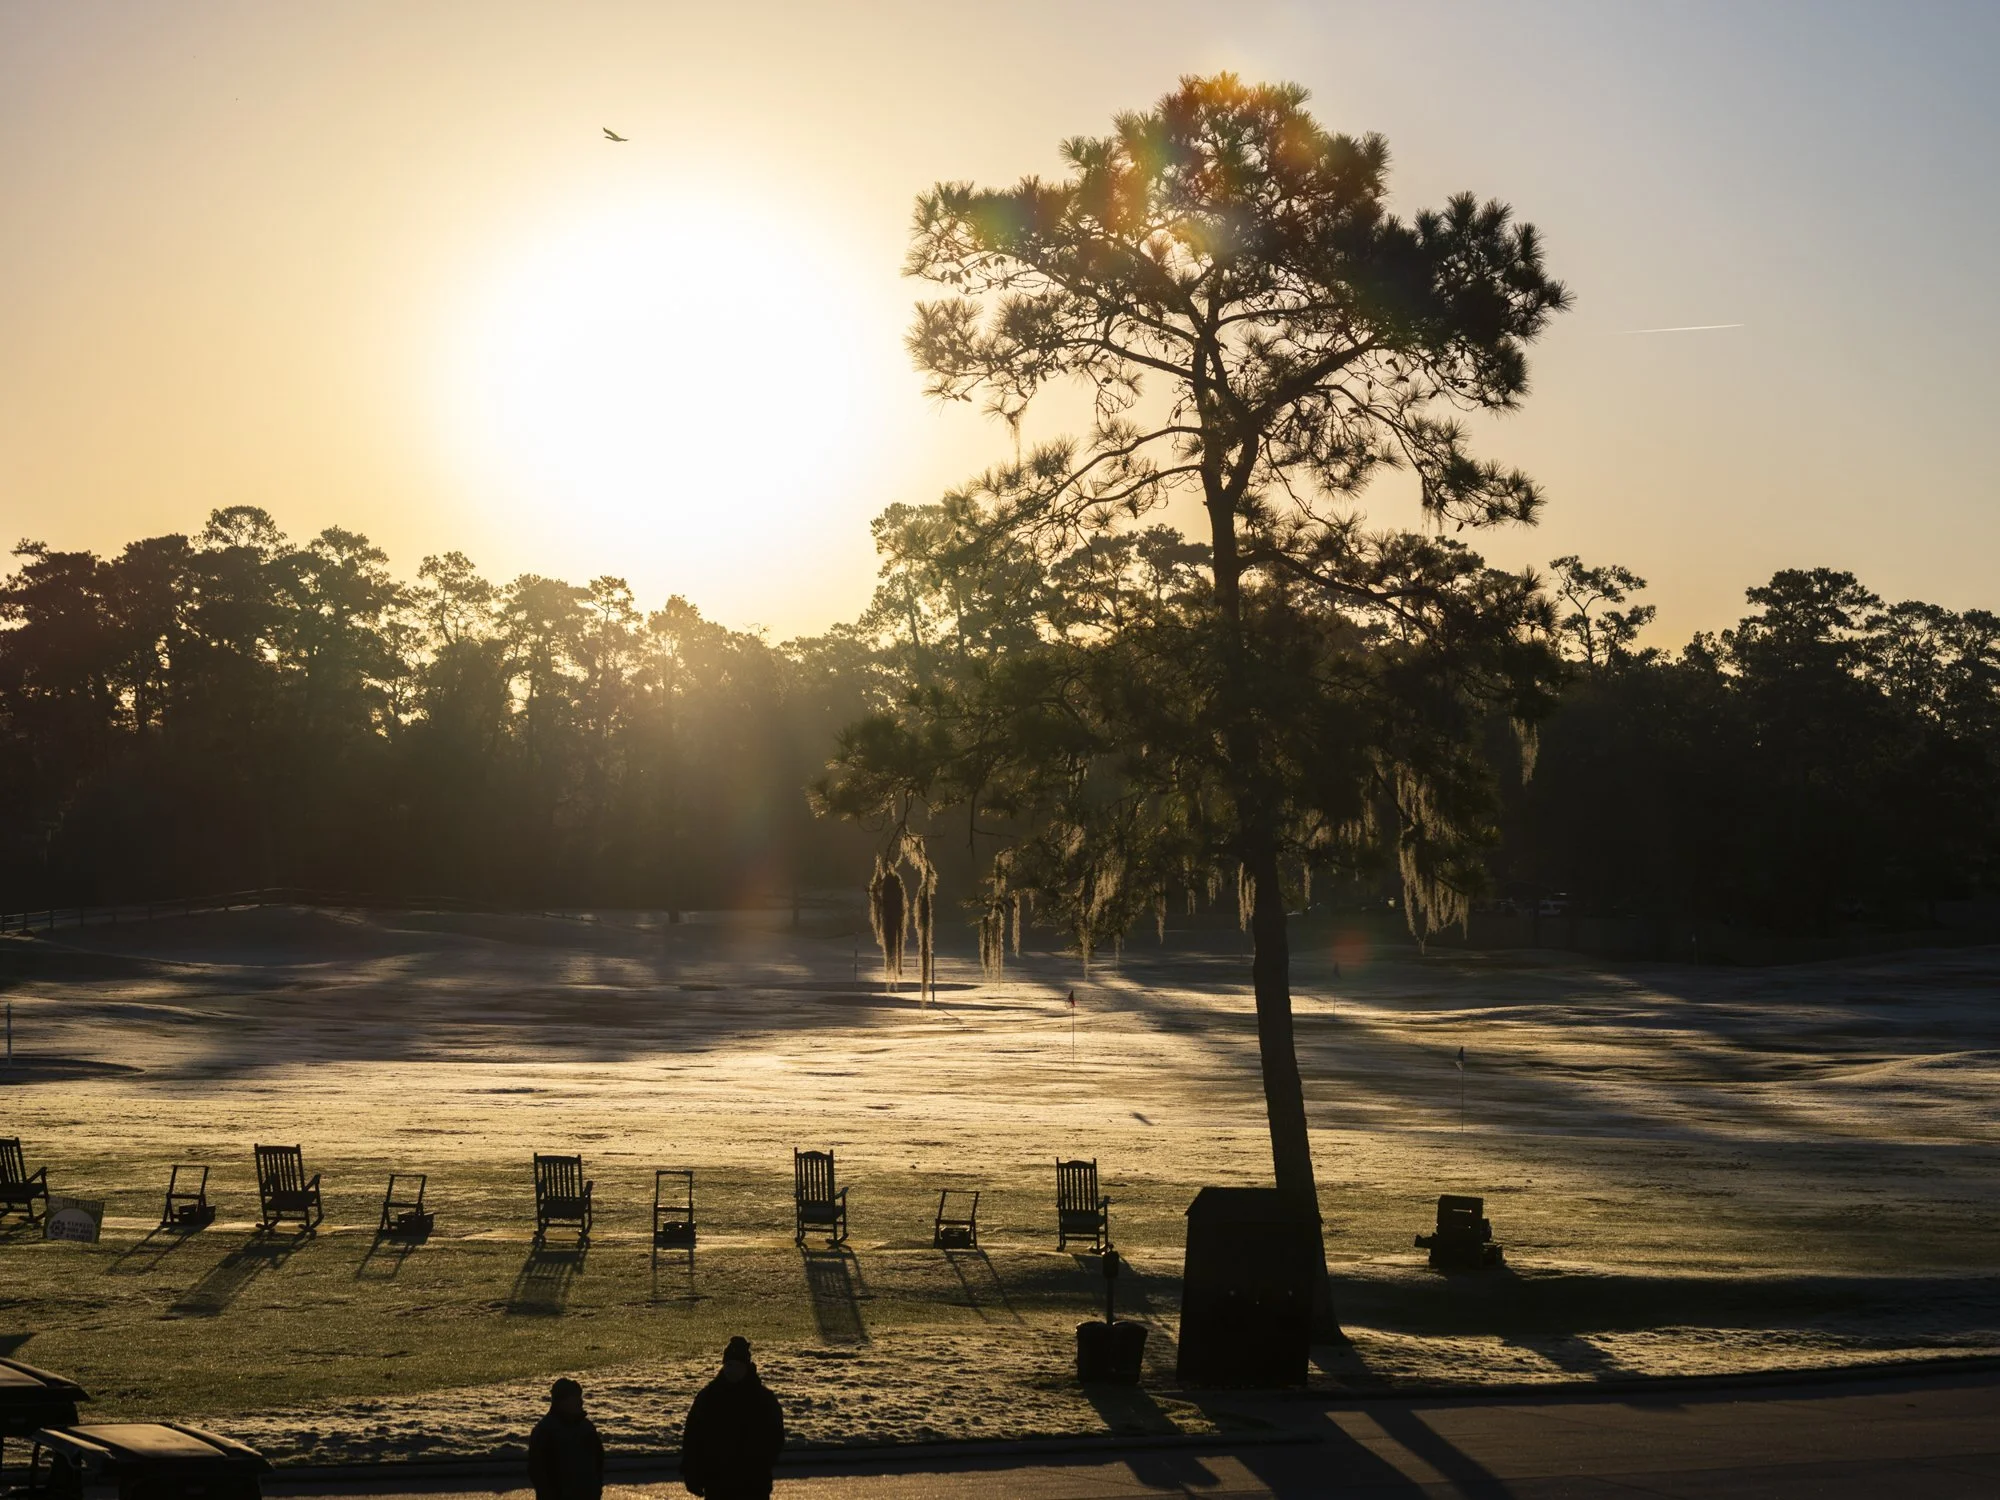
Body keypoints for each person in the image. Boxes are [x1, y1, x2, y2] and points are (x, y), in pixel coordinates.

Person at [679, 1336, 785, 1499]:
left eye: (735, 1366)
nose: (731, 1370)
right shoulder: (709, 1397)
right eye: (728, 1365)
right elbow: (693, 1437)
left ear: (745, 1367)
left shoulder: (762, 1399)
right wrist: (692, 1474)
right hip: (718, 1483)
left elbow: (774, 1439)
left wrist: (760, 1465)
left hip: (752, 1484)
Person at [529, 1377, 605, 1500]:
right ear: (562, 1401)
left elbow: (598, 1461)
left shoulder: (586, 1427)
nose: (580, 1402)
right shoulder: (545, 1431)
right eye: (575, 1398)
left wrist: (596, 1489)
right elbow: (538, 1472)